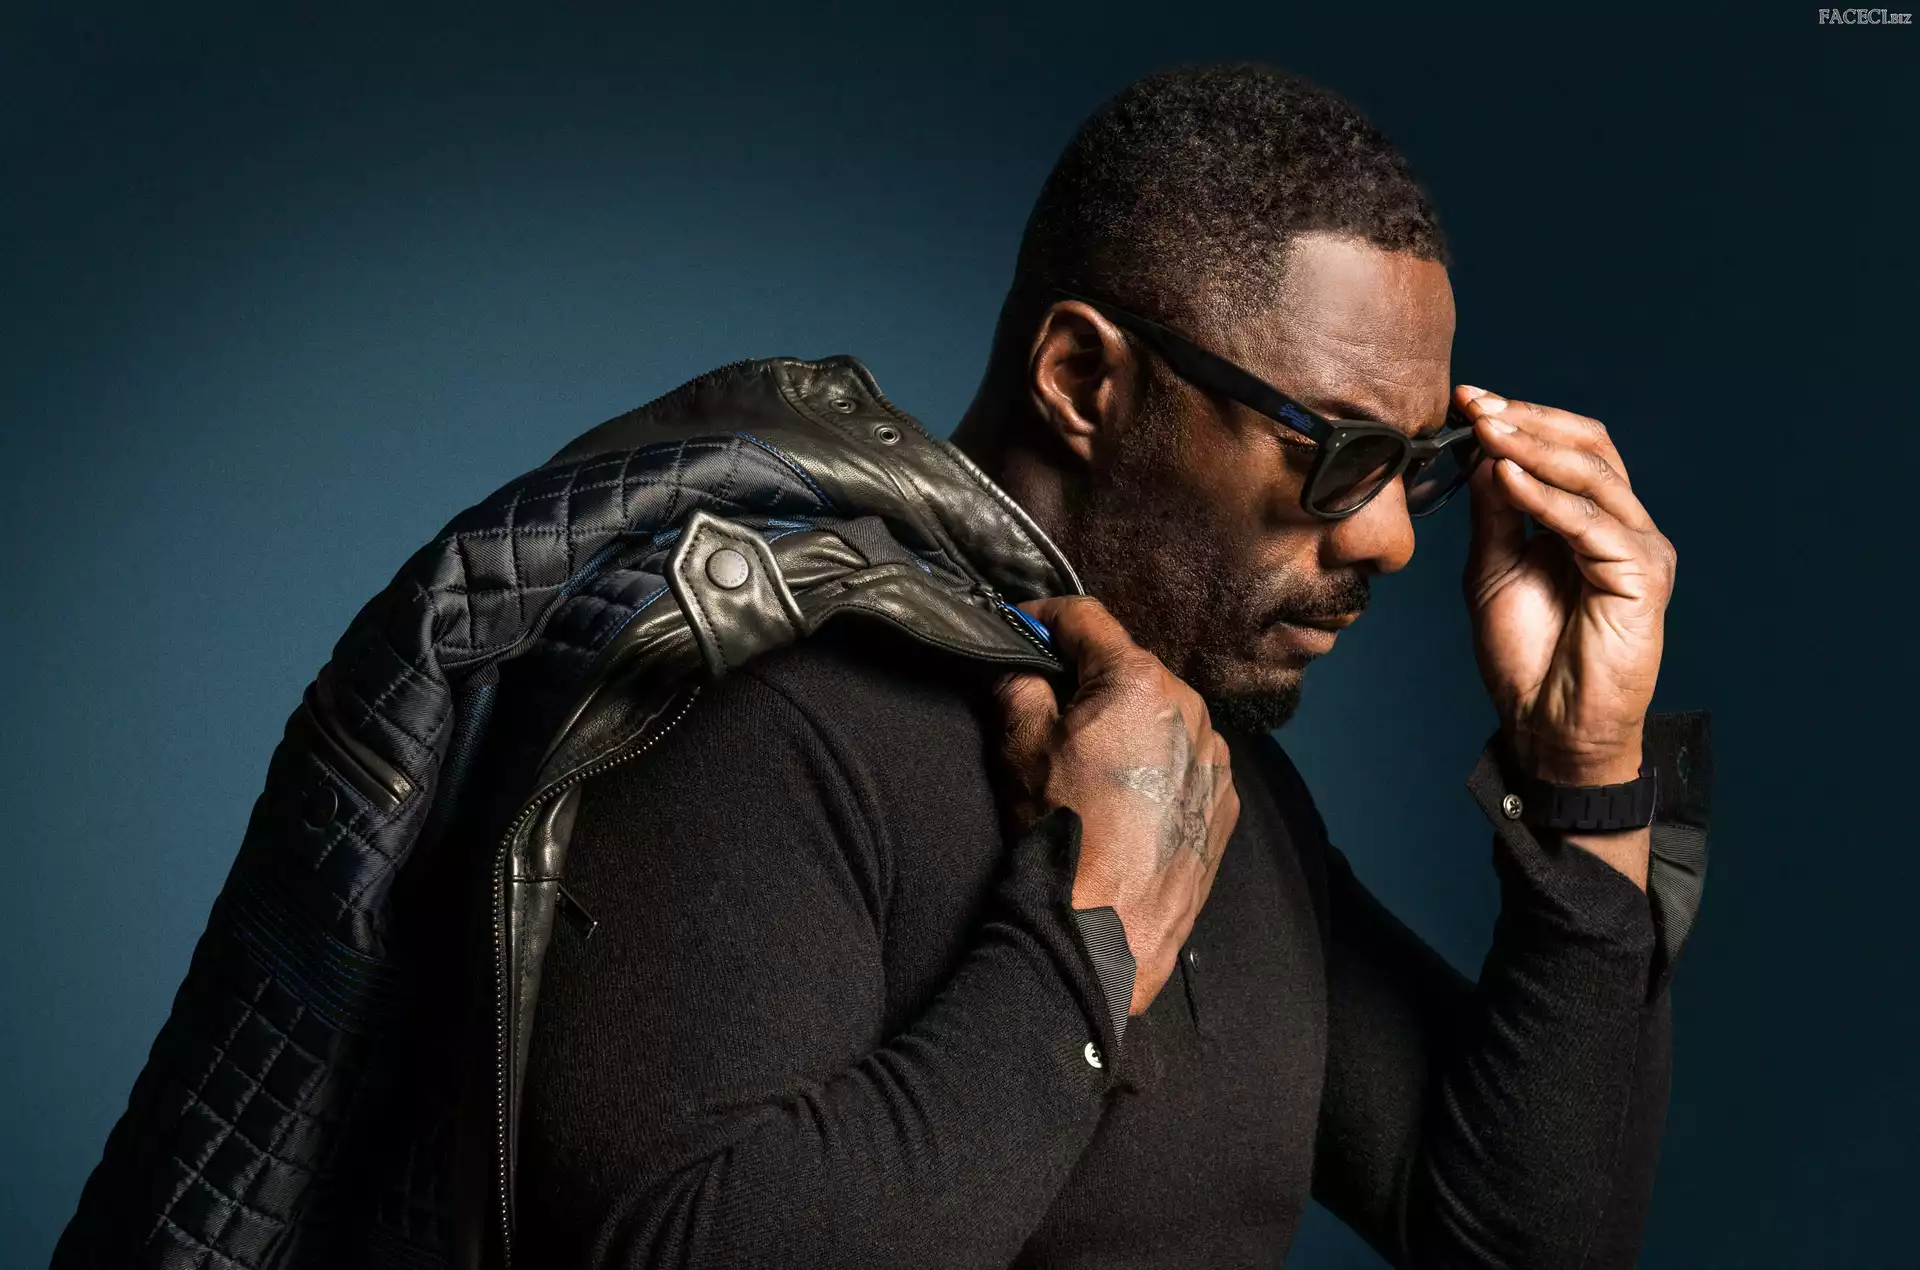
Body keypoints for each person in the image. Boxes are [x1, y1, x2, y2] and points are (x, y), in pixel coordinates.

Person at [515, 63, 1711, 1268]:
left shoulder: (1212, 778)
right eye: (1338, 451)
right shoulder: (762, 712)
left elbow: (1524, 1243)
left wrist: (1586, 773)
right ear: (1084, 380)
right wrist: (1089, 942)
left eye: (1415, 465)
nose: (1391, 537)